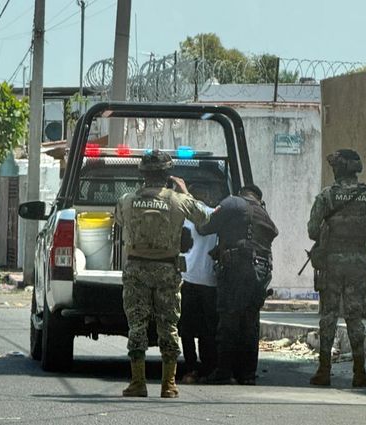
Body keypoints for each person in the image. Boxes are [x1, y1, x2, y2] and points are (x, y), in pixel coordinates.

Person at [115, 150, 211, 398]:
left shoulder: (127, 200)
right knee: (169, 326)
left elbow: (119, 220)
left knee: (137, 325)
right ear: (167, 174)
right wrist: (185, 191)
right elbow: (204, 217)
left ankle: (138, 383)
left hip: (136, 269)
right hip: (168, 269)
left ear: (143, 174)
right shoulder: (179, 200)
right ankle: (169, 385)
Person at [307, 149, 366, 388]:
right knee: (355, 316)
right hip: (357, 261)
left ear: (338, 169)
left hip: (331, 262)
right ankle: (359, 373)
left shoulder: (326, 196)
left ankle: (324, 371)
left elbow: (312, 230)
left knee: (329, 315)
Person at [198, 184, 278, 385]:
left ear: (242, 193)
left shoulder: (233, 202)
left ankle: (224, 371)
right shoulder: (263, 213)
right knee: (250, 322)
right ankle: (247, 374)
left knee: (229, 319)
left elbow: (206, 226)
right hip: (261, 271)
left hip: (237, 268)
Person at [178, 183, 221, 384]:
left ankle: (191, 368)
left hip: (190, 279)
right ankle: (207, 367)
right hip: (210, 281)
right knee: (207, 329)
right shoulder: (217, 214)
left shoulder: (188, 217)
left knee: (186, 328)